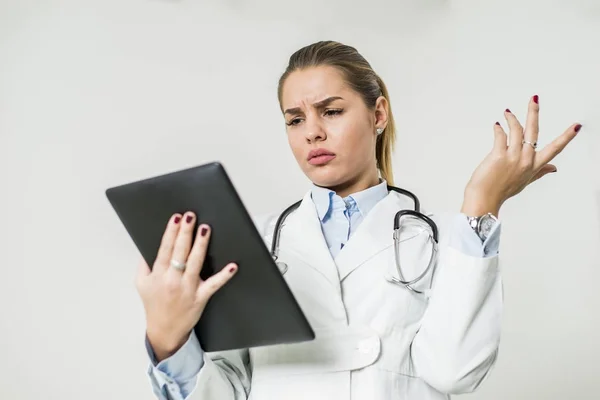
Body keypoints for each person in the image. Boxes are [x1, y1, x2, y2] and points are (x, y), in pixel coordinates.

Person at [135, 41, 581, 400]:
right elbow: (225, 392)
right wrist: (168, 341)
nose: (312, 131)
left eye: (331, 111)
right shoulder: (257, 241)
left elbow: (454, 372)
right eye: (295, 119)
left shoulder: (450, 240)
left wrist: (482, 203)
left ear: (378, 114)